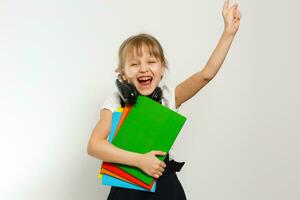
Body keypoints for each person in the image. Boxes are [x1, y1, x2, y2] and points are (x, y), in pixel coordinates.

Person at [87, 1, 241, 199]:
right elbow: (94, 145)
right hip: (126, 189)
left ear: (162, 69)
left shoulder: (169, 97)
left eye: (151, 62)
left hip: (165, 189)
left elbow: (206, 74)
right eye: (134, 64)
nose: (143, 69)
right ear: (123, 74)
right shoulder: (115, 102)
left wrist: (228, 33)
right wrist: (140, 160)